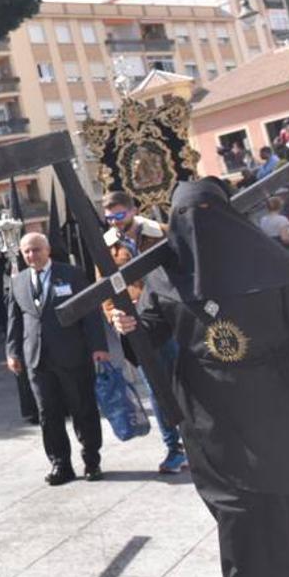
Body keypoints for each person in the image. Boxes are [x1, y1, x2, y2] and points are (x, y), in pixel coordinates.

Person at [111, 178, 289, 577]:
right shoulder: (162, 279)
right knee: (237, 517)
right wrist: (129, 327)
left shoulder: (284, 266)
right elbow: (148, 347)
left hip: (278, 409)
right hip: (212, 416)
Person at [6, 232, 108, 485]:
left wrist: (98, 346)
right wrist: (12, 352)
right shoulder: (17, 282)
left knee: (82, 408)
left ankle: (91, 460)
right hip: (37, 360)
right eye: (27, 251)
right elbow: (14, 320)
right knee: (47, 414)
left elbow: (91, 312)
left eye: (36, 250)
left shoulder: (71, 274)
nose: (32, 255)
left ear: (48, 250)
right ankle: (60, 464)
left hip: (72, 355)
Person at [101, 190, 187, 474]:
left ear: (133, 209)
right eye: (109, 216)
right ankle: (173, 446)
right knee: (155, 385)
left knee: (185, 378)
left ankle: (196, 439)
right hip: (139, 323)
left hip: (173, 316)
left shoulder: (160, 232)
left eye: (119, 214)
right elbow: (104, 290)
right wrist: (113, 313)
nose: (114, 221)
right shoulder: (105, 246)